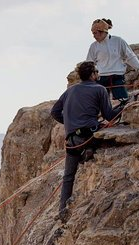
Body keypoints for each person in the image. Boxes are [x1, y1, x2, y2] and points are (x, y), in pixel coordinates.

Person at [50, 61, 123, 217]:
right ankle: (88, 151)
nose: (98, 74)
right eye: (96, 71)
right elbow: (109, 115)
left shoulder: (70, 91)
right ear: (92, 74)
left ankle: (62, 211)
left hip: (71, 141)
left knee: (68, 176)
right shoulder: (100, 89)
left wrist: (70, 122)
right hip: (89, 136)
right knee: (107, 136)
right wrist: (123, 107)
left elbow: (55, 112)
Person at [86, 18, 139, 103]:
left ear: (102, 31)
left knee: (122, 102)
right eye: (93, 33)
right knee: (100, 104)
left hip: (117, 77)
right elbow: (89, 63)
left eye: (95, 33)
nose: (94, 36)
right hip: (101, 79)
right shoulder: (93, 46)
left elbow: (130, 56)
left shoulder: (118, 41)